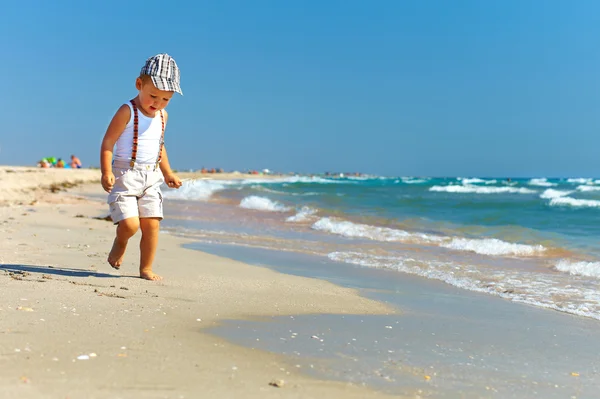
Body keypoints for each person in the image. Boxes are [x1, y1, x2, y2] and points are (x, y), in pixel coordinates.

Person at [99, 54, 183, 281]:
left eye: (166, 99)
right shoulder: (127, 111)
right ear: (139, 85)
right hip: (126, 175)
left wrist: (168, 173)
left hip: (151, 177)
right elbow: (108, 143)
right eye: (153, 96)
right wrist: (106, 171)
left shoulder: (163, 116)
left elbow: (160, 146)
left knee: (152, 225)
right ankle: (121, 240)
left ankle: (145, 268)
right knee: (130, 224)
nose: (158, 103)